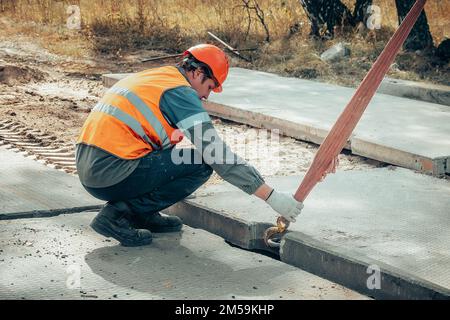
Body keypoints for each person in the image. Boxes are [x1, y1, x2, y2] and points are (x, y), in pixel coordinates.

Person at [75, 44, 304, 247]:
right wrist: (271, 196)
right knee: (201, 162)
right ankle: (117, 216)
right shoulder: (180, 93)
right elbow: (215, 154)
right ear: (197, 72)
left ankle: (143, 213)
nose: (207, 96)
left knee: (176, 151)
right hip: (110, 173)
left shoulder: (159, 78)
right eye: (211, 87)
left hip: (91, 166)